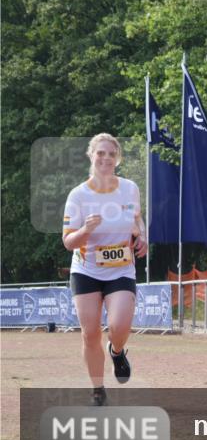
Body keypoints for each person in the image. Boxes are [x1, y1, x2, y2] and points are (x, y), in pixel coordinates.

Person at [62, 134, 146, 406]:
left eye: (111, 154)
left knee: (119, 326)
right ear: (91, 156)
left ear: (117, 158)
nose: (106, 158)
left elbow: (136, 219)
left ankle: (117, 351)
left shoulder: (129, 188)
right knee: (90, 333)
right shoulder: (78, 195)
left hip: (121, 268)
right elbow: (68, 242)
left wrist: (142, 235)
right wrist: (86, 229)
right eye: (101, 153)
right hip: (86, 270)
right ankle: (98, 390)